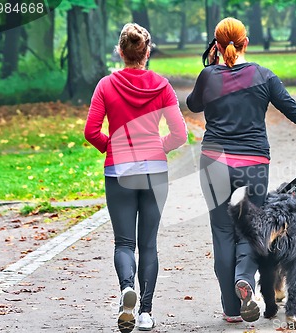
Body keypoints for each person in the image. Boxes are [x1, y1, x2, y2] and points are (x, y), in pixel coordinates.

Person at [186, 17, 296, 324]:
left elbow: (193, 104)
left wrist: (212, 66)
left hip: (214, 163)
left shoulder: (208, 75)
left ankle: (230, 307)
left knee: (222, 232)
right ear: (246, 43)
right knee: (251, 232)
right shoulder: (263, 76)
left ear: (216, 44)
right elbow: (291, 108)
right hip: (253, 164)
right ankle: (245, 281)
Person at [84, 23, 187, 332]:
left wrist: (112, 150)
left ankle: (127, 289)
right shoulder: (162, 85)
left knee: (124, 244)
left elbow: (91, 131)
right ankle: (144, 312)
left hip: (119, 172)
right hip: (154, 172)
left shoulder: (105, 85)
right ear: (147, 52)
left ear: (121, 51)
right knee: (149, 245)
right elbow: (180, 134)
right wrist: (159, 148)